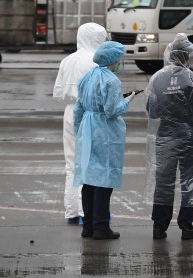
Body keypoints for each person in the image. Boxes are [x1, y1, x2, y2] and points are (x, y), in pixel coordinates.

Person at [144, 34, 193, 241]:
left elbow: (152, 111)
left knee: (163, 182)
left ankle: (159, 227)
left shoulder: (157, 78)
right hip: (187, 137)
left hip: (164, 136)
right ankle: (186, 227)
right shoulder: (192, 79)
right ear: (187, 56)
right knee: (188, 181)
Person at [73, 41, 139, 240]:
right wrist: (126, 101)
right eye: (119, 59)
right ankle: (101, 226)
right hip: (105, 132)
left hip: (87, 127)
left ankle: (88, 226)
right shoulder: (111, 81)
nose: (120, 62)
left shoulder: (86, 77)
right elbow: (111, 110)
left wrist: (79, 131)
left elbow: (78, 107)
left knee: (89, 177)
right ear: (114, 60)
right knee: (104, 178)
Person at [53, 22, 106, 225]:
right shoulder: (96, 62)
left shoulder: (67, 60)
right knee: (90, 163)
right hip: (90, 114)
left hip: (70, 112)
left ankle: (72, 211)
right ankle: (87, 212)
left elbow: (58, 93)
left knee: (71, 163)